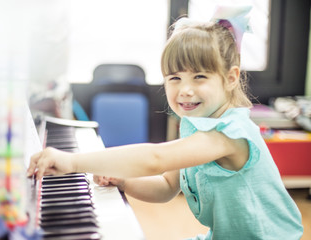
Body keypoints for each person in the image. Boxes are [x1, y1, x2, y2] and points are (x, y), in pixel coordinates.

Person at [27, 6, 304, 240]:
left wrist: (73, 162)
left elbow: (156, 158)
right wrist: (124, 182)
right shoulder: (195, 127)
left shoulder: (228, 134)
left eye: (199, 77)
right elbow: (166, 186)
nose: (184, 89)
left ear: (231, 78)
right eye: (174, 78)